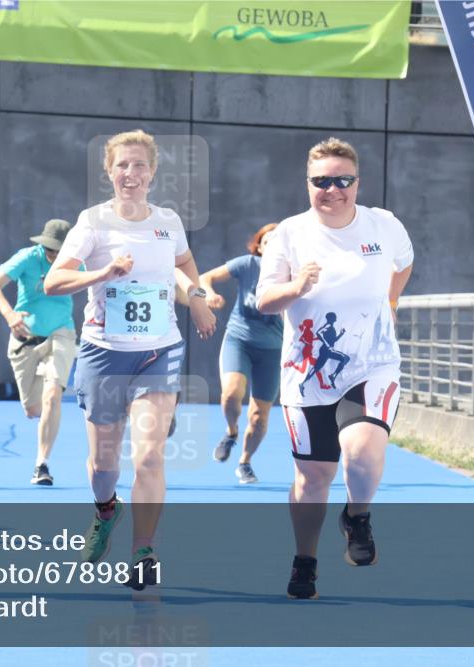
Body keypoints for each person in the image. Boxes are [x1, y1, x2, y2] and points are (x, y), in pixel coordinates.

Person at [44, 129, 216, 591]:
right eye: (122, 164)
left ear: (153, 172)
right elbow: (54, 282)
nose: (131, 173)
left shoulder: (168, 221)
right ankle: (106, 510)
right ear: (109, 171)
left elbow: (183, 266)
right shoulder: (93, 222)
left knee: (149, 457)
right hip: (103, 354)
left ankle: (143, 551)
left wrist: (197, 298)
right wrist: (103, 272)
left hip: (158, 352)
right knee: (103, 465)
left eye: (140, 164)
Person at [256, 137, 413, 600]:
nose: (333, 190)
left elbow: (403, 264)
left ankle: (357, 516)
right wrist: (296, 287)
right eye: (322, 181)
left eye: (343, 180)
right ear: (308, 184)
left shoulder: (384, 225)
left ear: (357, 183)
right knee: (313, 478)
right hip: (307, 376)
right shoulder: (289, 233)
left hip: (372, 364)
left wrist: (390, 302)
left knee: (362, 452)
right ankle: (305, 560)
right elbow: (265, 300)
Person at [0, 218, 78, 486]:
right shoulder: (27, 258)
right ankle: (36, 402)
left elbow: (98, 282)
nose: (54, 256)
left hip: (61, 332)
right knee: (34, 408)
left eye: (59, 251)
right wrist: (10, 315)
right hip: (25, 337)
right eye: (49, 250)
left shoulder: (75, 262)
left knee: (53, 396)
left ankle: (41, 464)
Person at [199, 223, 284, 484]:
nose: (273, 246)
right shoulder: (247, 265)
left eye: (278, 242)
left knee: (259, 416)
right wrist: (209, 294)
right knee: (231, 393)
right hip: (240, 341)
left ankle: (245, 462)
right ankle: (231, 432)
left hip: (273, 350)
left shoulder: (293, 273)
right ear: (259, 247)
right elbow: (205, 278)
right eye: (268, 241)